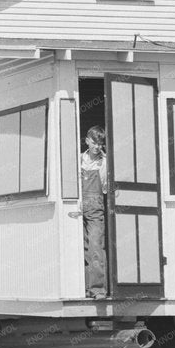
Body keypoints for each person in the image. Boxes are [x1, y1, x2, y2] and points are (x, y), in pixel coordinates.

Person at [71, 125, 109, 298]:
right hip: (77, 207)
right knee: (79, 248)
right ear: (87, 141)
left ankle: (98, 289)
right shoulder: (78, 159)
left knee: (95, 246)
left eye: (100, 143)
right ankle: (82, 287)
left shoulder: (105, 162)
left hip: (95, 208)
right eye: (94, 143)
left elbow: (107, 188)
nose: (97, 147)